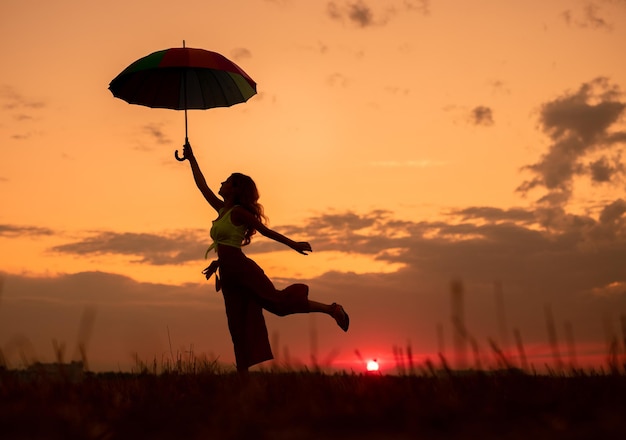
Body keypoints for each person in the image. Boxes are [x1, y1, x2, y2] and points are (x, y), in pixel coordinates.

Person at [181, 142, 349, 375]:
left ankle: (332, 309)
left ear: (235, 189)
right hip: (229, 274)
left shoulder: (238, 213)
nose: (221, 183)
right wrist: (191, 159)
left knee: (278, 304)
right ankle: (243, 378)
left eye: (227, 181)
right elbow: (202, 187)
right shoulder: (222, 211)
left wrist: (294, 244)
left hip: (241, 269)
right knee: (236, 325)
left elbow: (266, 231)